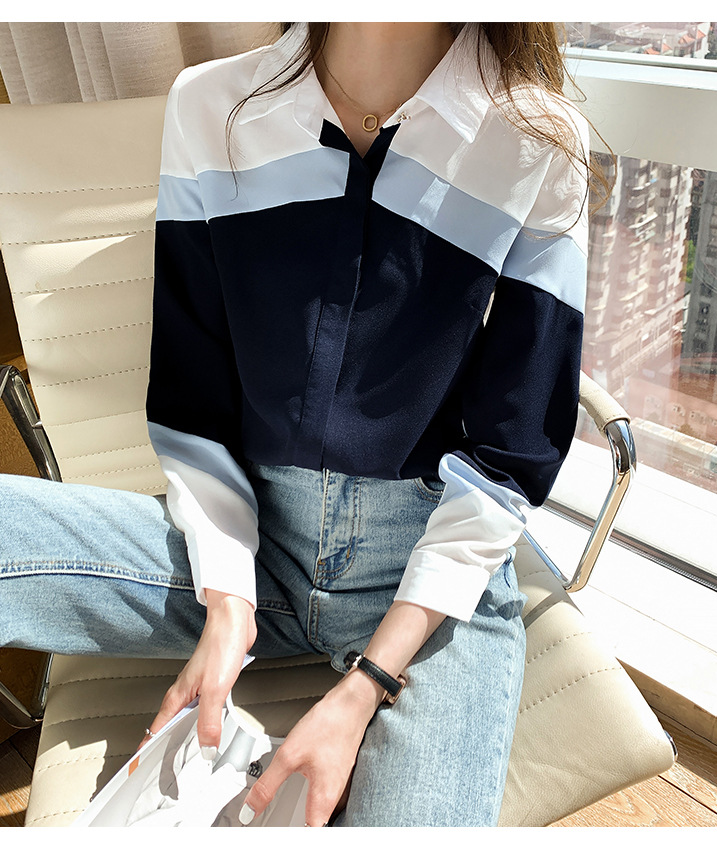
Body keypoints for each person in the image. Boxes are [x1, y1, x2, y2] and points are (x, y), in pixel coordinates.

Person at [0, 22, 593, 826]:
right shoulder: (213, 107)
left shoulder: (537, 142)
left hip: (427, 590)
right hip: (254, 551)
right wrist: (227, 600)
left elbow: (510, 453)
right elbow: (193, 402)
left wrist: (366, 686)